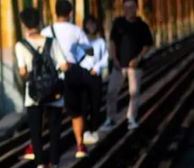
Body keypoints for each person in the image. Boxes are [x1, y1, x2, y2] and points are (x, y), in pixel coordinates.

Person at [15, 7, 68, 168]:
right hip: (53, 91)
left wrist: (33, 76)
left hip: (34, 94)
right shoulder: (52, 42)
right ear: (39, 22)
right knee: (54, 130)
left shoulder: (20, 45)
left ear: (24, 24)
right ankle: (54, 165)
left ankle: (40, 167)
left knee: (36, 131)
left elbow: (23, 71)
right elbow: (64, 65)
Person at [41, 0, 94, 158]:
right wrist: (78, 62)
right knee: (76, 112)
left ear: (55, 12)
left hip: (52, 78)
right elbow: (89, 52)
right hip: (71, 75)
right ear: (70, 13)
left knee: (51, 114)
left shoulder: (45, 32)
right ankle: (79, 144)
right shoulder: (76, 30)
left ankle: (45, 147)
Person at [103, 0, 153, 131]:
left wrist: (138, 58)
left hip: (135, 66)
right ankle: (110, 118)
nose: (128, 10)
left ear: (136, 8)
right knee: (111, 92)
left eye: (131, 7)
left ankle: (131, 118)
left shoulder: (142, 26)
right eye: (126, 7)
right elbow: (113, 42)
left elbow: (147, 45)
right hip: (119, 65)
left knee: (134, 93)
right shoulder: (118, 23)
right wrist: (114, 59)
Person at [81, 15, 108, 145]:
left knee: (96, 103)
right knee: (84, 103)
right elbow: (79, 58)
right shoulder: (82, 42)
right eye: (88, 24)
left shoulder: (100, 41)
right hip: (83, 75)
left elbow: (105, 58)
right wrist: (88, 67)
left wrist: (96, 67)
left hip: (96, 75)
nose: (90, 27)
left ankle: (94, 128)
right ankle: (85, 131)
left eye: (93, 24)